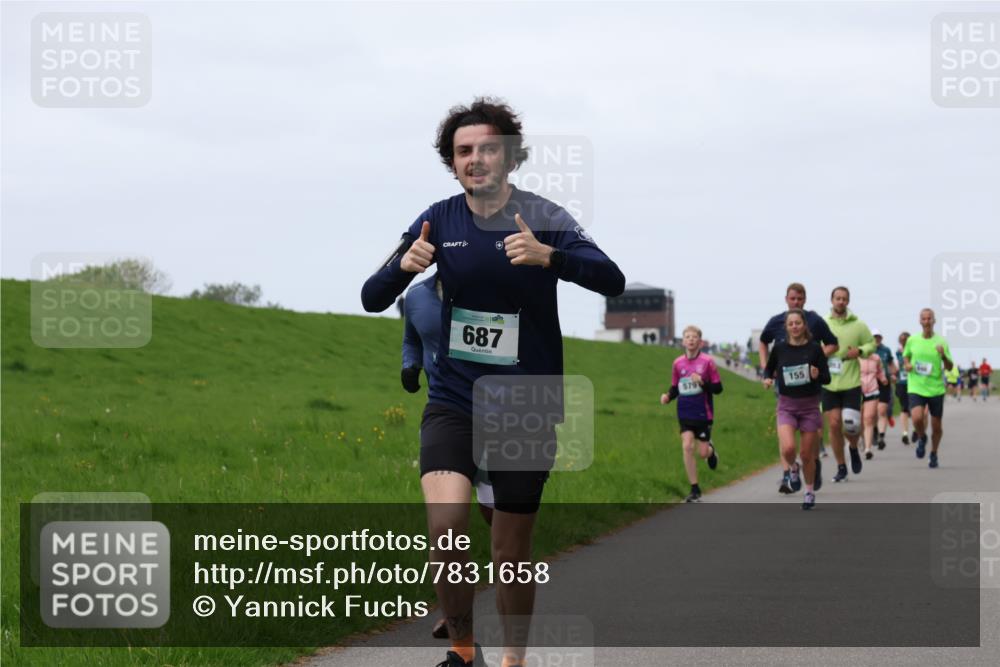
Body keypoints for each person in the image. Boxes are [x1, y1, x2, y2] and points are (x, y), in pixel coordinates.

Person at [361, 97, 625, 667]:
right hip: (454, 398)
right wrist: (402, 268)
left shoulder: (544, 214)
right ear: (451, 162)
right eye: (463, 151)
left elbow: (613, 279)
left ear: (509, 156)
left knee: (510, 548)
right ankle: (461, 649)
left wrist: (550, 255)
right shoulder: (438, 217)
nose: (475, 159)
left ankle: (514, 657)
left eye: (486, 149)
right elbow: (371, 296)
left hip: (527, 402)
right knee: (447, 527)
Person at [401, 273, 495, 640]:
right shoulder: (416, 296)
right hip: (447, 412)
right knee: (446, 530)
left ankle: (510, 603)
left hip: (503, 413)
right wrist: (409, 365)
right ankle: (459, 632)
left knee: (500, 525)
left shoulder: (495, 285)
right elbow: (412, 337)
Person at [759, 283, 840, 480]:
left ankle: (812, 461)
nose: (796, 302)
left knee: (808, 435)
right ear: (786, 299)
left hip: (810, 387)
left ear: (805, 300)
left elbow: (833, 344)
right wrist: (766, 369)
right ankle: (788, 472)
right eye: (792, 298)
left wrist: (814, 357)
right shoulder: (776, 321)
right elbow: (763, 341)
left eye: (800, 299)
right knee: (785, 431)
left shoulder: (814, 320)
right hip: (785, 386)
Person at [762, 309, 830, 509]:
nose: (794, 326)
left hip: (809, 407)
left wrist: (817, 374)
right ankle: (793, 468)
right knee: (789, 448)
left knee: (807, 454)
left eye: (798, 323)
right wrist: (767, 377)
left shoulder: (815, 349)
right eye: (790, 324)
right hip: (787, 406)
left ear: (804, 325)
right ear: (786, 327)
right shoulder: (780, 348)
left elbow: (827, 377)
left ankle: (809, 493)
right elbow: (769, 368)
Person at [660, 325, 723, 503]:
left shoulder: (707, 362)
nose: (691, 339)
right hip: (684, 412)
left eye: (694, 337)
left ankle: (711, 452)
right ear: (683, 341)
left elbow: (718, 389)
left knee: (702, 453)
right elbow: (675, 387)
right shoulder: (677, 363)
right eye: (687, 337)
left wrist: (702, 382)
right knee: (687, 446)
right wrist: (667, 397)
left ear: (700, 341)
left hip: (703, 413)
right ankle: (694, 488)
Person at [823, 286, 875, 482]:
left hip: (851, 382)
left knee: (851, 425)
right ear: (832, 300)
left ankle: (853, 447)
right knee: (835, 424)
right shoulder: (823, 323)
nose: (841, 301)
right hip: (829, 383)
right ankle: (841, 466)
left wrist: (860, 351)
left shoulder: (859, 325)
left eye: (844, 299)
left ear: (848, 301)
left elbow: (871, 344)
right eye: (837, 298)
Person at [903, 308, 954, 468]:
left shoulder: (941, 342)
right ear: (920, 321)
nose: (926, 322)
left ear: (934, 321)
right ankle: (922, 437)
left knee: (936, 426)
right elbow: (906, 355)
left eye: (929, 319)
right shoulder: (912, 340)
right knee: (917, 418)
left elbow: (949, 366)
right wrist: (907, 364)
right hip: (916, 385)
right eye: (923, 319)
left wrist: (943, 355)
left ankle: (933, 453)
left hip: (935, 388)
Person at [859, 350, 888, 460]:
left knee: (869, 418)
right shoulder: (855, 357)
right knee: (859, 419)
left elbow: (880, 371)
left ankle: (868, 449)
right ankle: (861, 437)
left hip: (872, 390)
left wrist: (883, 378)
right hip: (857, 390)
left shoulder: (876, 358)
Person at [871, 330, 897, 450]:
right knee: (873, 412)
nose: (877, 339)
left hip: (884, 382)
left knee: (882, 410)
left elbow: (891, 363)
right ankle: (875, 430)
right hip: (870, 383)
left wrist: (893, 373)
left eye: (878, 337)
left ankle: (881, 436)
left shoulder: (886, 350)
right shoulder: (868, 350)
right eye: (874, 337)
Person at [895, 332, 915, 444]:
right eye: (901, 340)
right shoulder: (898, 352)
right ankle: (905, 433)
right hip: (902, 382)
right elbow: (896, 365)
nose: (903, 342)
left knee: (914, 408)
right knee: (904, 408)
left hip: (914, 383)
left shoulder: (914, 351)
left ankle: (916, 430)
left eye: (905, 340)